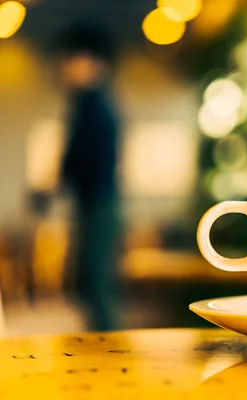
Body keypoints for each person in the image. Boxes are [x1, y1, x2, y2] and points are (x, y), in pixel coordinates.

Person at [55, 21, 123, 331]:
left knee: (96, 285)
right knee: (90, 284)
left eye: (71, 60)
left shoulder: (96, 106)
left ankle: (110, 356)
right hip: (94, 204)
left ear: (91, 63)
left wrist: (56, 182)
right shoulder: (88, 104)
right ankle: (103, 347)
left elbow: (82, 159)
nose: (65, 68)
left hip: (99, 205)